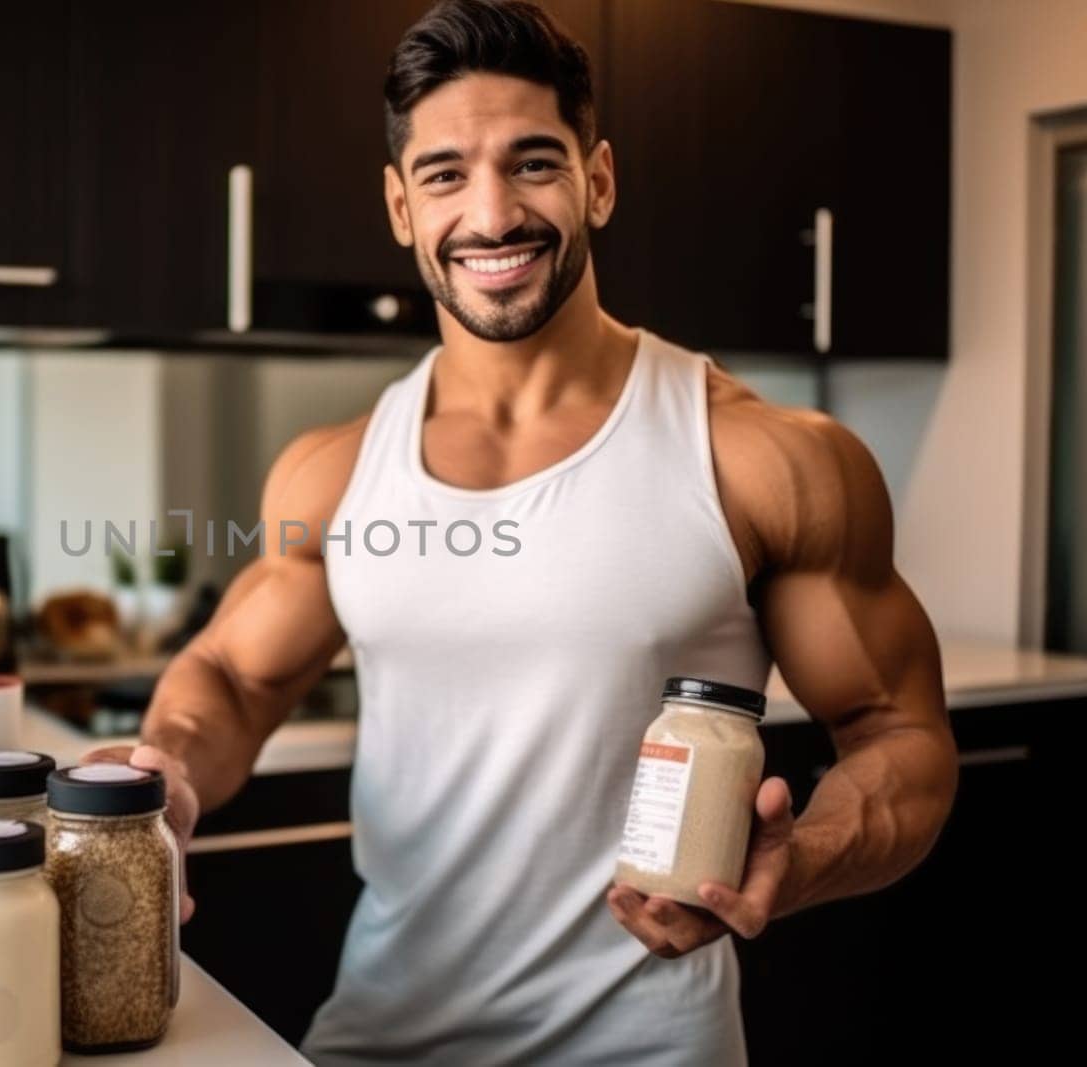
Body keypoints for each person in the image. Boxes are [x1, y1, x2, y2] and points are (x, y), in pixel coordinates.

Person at [86, 2, 957, 1063]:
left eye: (531, 163)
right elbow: (233, 676)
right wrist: (166, 773)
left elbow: (898, 732)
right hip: (381, 1035)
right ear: (401, 205)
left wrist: (797, 859)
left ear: (597, 178)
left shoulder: (761, 458)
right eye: (446, 174)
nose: (492, 214)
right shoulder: (335, 468)